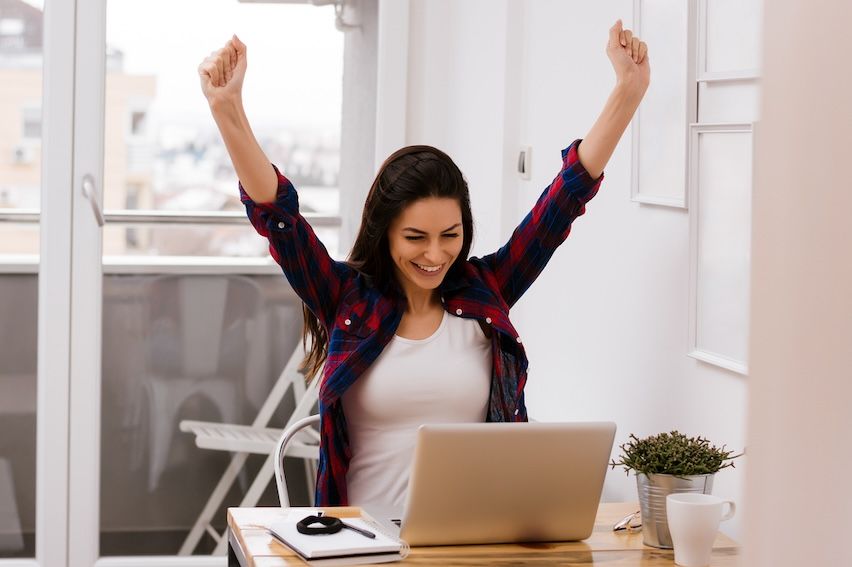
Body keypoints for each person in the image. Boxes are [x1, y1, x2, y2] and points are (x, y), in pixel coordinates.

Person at [198, 19, 649, 510]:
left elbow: (561, 204)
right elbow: (279, 219)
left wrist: (628, 90)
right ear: (384, 231)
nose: (435, 255)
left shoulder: (486, 292)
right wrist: (227, 109)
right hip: (360, 547)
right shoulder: (347, 299)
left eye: (449, 236)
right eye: (416, 238)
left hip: (473, 544)